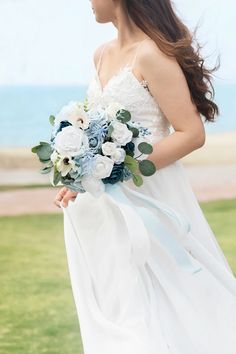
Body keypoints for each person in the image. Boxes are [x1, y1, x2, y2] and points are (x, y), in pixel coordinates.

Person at [54, 1, 236, 353]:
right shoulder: (101, 55)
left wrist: (122, 166)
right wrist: (78, 176)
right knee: (121, 300)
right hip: (106, 206)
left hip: (151, 194)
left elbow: (191, 132)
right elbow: (95, 135)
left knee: (172, 291)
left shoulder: (151, 55)